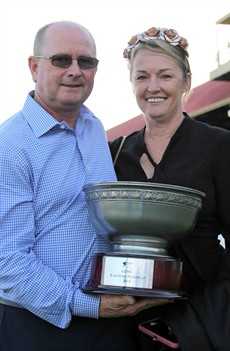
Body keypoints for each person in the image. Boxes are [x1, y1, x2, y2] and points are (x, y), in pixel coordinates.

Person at [0, 21, 171, 351]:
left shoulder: (93, 127)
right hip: (38, 329)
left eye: (86, 62)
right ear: (35, 67)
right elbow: (8, 261)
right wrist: (91, 305)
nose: (75, 71)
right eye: (61, 60)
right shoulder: (11, 146)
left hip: (110, 321)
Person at [109, 26, 230, 350]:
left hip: (199, 323)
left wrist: (217, 310)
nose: (153, 87)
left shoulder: (218, 146)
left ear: (186, 81)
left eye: (165, 76)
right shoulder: (115, 152)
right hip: (126, 322)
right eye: (141, 77)